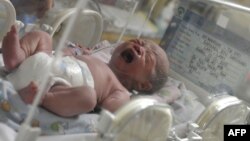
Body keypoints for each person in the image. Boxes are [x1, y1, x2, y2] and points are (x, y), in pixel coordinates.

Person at [2, 25, 169, 117]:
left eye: (148, 56)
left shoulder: (121, 91)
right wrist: (73, 52)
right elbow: (63, 52)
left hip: (59, 85)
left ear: (143, 84)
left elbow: (109, 112)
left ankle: (42, 97)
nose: (141, 46)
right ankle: (18, 57)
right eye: (140, 42)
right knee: (43, 36)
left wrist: (126, 107)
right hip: (46, 60)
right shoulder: (93, 58)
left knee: (89, 97)